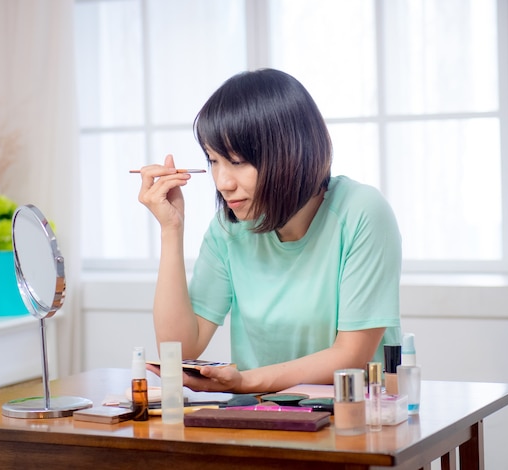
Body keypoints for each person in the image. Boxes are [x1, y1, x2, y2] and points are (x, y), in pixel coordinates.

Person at [137, 68, 402, 394]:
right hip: (261, 419)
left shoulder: (361, 211)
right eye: (213, 161)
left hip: (349, 420)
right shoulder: (229, 228)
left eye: (237, 161)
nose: (223, 183)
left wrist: (245, 382)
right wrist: (171, 229)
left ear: (290, 152)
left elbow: (350, 355)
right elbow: (179, 349)